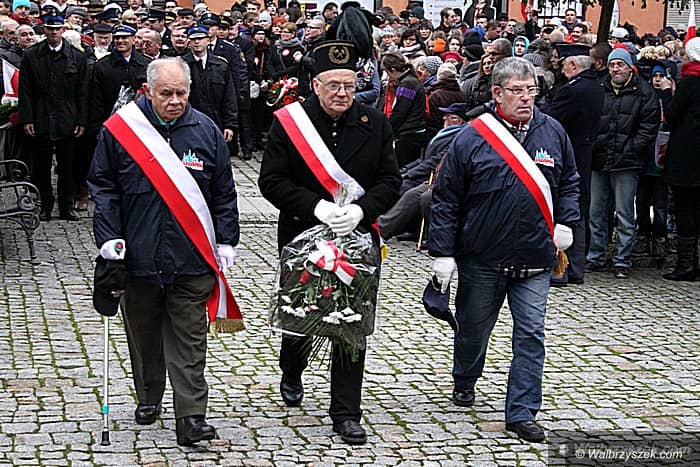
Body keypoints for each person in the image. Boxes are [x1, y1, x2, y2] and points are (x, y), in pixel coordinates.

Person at [88, 58, 240, 446]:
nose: (175, 101)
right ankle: (149, 394)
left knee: (190, 340)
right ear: (148, 91)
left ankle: (191, 416)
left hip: (191, 259)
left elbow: (223, 192)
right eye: (166, 94)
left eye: (181, 93)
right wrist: (108, 237)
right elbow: (103, 187)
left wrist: (226, 240)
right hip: (137, 257)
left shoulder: (206, 130)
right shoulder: (121, 131)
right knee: (144, 335)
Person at [429, 57, 580, 443]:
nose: (526, 98)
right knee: (473, 328)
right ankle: (465, 377)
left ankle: (522, 411)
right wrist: (443, 252)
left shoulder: (553, 132)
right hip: (483, 256)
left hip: (536, 256)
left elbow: (569, 181)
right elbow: (446, 197)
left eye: (532, 90)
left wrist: (566, 221)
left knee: (531, 333)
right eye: (517, 91)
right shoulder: (471, 137)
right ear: (497, 93)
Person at [258, 41, 401, 445]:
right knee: (301, 316)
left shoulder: (375, 123)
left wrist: (362, 211)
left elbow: (391, 180)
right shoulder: (291, 122)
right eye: (334, 85)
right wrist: (316, 207)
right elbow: (271, 181)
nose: (342, 93)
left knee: (351, 323)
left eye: (349, 85)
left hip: (356, 240)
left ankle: (346, 412)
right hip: (304, 237)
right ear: (316, 85)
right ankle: (292, 368)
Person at [587, 48, 659, 278]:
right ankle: (596, 256)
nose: (615, 69)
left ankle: (622, 260)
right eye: (612, 65)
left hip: (627, 162)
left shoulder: (644, 92)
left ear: (629, 67)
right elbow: (591, 119)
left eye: (619, 64)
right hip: (600, 159)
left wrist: (632, 149)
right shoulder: (600, 88)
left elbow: (648, 127)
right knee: (596, 211)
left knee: (625, 213)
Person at [540, 43, 604, 286]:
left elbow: (551, 117)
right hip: (585, 152)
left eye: (564, 64)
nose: (561, 69)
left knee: (565, 208)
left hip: (569, 154)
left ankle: (562, 268)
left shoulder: (573, 90)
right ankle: (575, 268)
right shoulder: (596, 86)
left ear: (573, 64)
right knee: (579, 209)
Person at [18, 12, 88, 222]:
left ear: (63, 30)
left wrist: (81, 120)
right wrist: (27, 119)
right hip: (41, 116)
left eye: (57, 29)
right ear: (44, 30)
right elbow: (25, 91)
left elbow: (83, 92)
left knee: (67, 167)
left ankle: (66, 207)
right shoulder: (32, 55)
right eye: (50, 29)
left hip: (68, 117)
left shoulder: (77, 56)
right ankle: (45, 206)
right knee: (41, 167)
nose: (54, 32)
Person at [378, 102, 468, 241]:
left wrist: (410, 174)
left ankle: (381, 229)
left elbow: (434, 161)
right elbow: (424, 158)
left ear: (459, 120)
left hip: (432, 176)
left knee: (408, 192)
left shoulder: (457, 137)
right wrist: (405, 170)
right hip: (426, 174)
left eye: (449, 116)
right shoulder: (443, 133)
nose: (444, 118)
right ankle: (401, 226)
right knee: (398, 183)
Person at [663, 37, 700, 281]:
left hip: (686, 157)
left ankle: (686, 264)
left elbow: (671, 115)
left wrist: (668, 92)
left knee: (685, 210)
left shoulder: (689, 83)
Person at [182, 25, 237, 142]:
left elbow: (229, 97)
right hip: (189, 120)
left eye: (200, 38)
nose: (197, 42)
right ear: (189, 42)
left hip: (216, 120)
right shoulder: (181, 65)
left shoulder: (221, 65)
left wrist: (230, 125)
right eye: (193, 39)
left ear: (207, 40)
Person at [381, 52, 426, 167]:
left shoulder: (407, 84)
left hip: (409, 134)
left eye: (387, 72)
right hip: (413, 132)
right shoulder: (410, 81)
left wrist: (388, 129)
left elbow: (400, 111)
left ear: (393, 70)